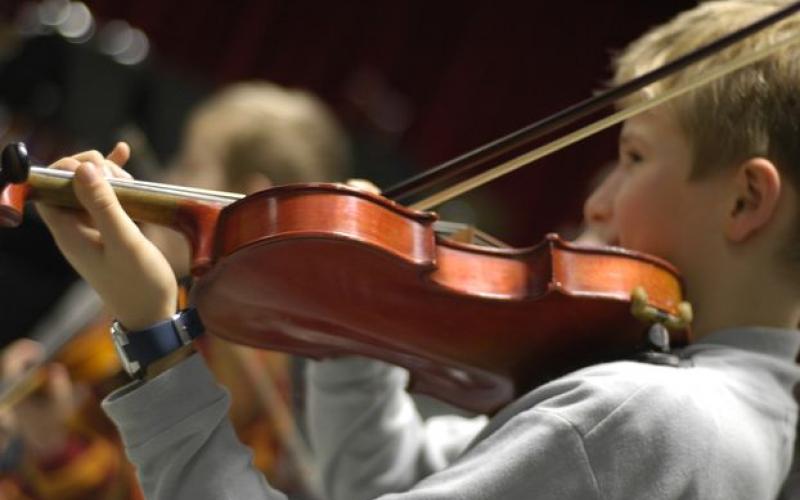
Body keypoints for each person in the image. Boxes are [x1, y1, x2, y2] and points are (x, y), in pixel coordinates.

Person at [29, 1, 800, 498]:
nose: (597, 202)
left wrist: (157, 342)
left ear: (744, 201)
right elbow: (379, 481)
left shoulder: (639, 417)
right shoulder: (753, 422)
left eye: (633, 156)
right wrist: (355, 316)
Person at [0, 81, 349, 499]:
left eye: (189, 164)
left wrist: (54, 448)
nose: (168, 179)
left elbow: (157, 488)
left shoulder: (237, 364)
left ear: (247, 197)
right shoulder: (175, 294)